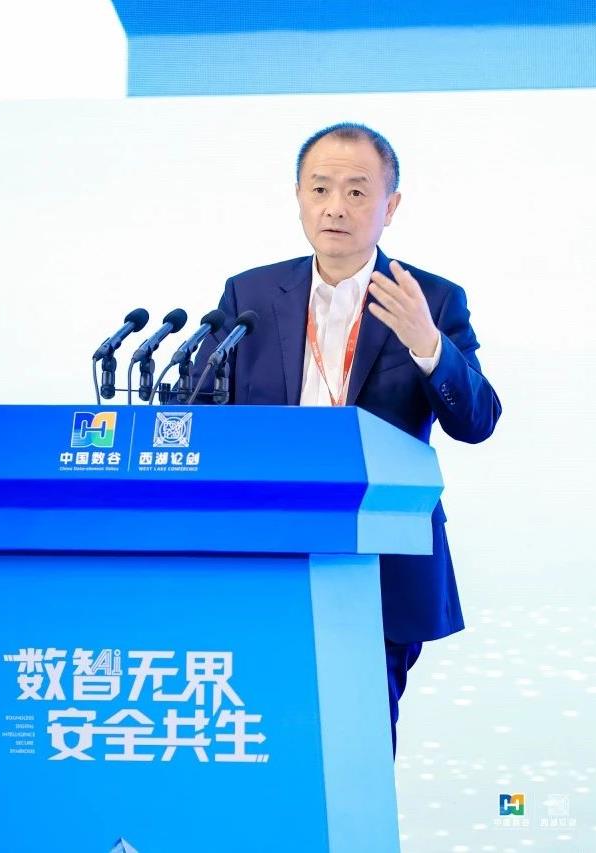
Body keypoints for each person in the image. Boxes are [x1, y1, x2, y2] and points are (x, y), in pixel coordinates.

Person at [192, 122, 502, 756]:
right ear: (299, 197)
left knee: (359, 743)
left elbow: (477, 421)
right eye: (320, 188)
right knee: (260, 739)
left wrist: (428, 344)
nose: (335, 207)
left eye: (358, 191)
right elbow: (201, 412)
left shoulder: (432, 300)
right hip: (264, 554)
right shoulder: (250, 295)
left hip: (378, 562)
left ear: (391, 205)